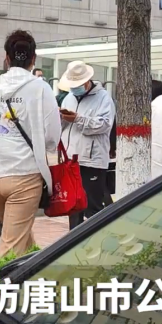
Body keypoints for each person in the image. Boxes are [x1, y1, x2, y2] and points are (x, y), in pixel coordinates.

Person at [0, 30, 60, 257]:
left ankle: (34, 273)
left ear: (7, 58)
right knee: (11, 246)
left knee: (21, 237)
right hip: (24, 175)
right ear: (33, 59)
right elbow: (52, 137)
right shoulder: (41, 88)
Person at [57, 61, 114, 229]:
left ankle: (96, 237)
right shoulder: (69, 97)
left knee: (93, 206)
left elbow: (104, 125)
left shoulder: (103, 98)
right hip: (71, 160)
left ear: (87, 81)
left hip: (92, 161)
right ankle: (74, 238)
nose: (75, 88)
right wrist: (60, 118)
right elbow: (63, 128)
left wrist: (78, 119)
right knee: (73, 207)